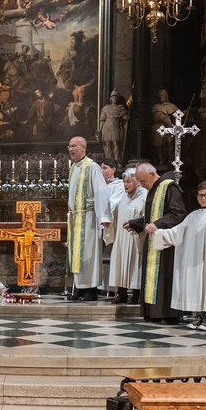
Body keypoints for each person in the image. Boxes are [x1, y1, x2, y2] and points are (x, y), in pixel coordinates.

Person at [151, 181, 206, 331]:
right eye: (200, 195)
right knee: (195, 285)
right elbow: (177, 232)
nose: (203, 198)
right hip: (193, 258)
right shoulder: (192, 216)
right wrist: (159, 232)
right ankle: (199, 317)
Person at [126, 164, 187, 322]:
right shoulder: (154, 188)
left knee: (165, 276)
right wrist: (135, 223)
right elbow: (152, 217)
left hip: (166, 242)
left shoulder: (169, 187)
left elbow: (178, 213)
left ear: (153, 174)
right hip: (154, 239)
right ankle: (153, 312)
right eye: (139, 182)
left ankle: (168, 314)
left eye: (143, 181)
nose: (141, 185)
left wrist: (158, 225)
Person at [66, 136, 111, 301]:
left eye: (74, 146)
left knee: (89, 254)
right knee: (77, 254)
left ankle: (91, 289)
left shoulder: (92, 167)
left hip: (88, 217)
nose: (70, 149)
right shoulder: (73, 167)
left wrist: (104, 216)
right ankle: (79, 287)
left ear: (83, 148)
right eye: (69, 146)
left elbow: (101, 192)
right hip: (75, 218)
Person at [105, 167, 147, 304]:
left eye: (129, 181)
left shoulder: (144, 196)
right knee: (120, 263)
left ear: (137, 182)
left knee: (135, 264)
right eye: (124, 181)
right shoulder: (123, 196)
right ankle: (121, 293)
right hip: (122, 236)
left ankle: (136, 294)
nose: (125, 184)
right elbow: (115, 214)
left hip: (135, 237)